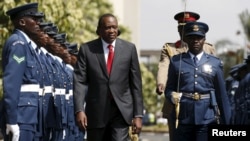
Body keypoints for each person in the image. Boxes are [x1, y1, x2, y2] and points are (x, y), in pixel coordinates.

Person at [73, 13, 143, 141]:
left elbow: (136, 85)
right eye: (108, 27)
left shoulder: (129, 49)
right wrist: (79, 110)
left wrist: (138, 115)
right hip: (96, 112)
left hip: (121, 111)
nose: (112, 31)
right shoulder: (87, 49)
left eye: (114, 27)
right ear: (99, 30)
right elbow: (80, 81)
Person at [164, 21, 231, 141]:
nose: (195, 41)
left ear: (204, 39)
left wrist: (227, 124)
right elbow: (169, 89)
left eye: (199, 37)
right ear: (186, 40)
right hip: (184, 118)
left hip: (207, 118)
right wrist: (171, 95)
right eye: (191, 37)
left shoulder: (214, 63)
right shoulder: (176, 61)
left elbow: (222, 96)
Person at [155, 11, 216, 141]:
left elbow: (215, 75)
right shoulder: (170, 49)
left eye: (186, 27)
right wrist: (161, 83)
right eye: (180, 28)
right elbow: (164, 66)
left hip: (204, 106)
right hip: (177, 105)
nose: (183, 31)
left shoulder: (207, 48)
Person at [0, 2, 44, 141]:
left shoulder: (25, 45)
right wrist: (12, 120)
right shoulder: (18, 44)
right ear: (22, 22)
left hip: (27, 115)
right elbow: (12, 84)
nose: (38, 22)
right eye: (34, 19)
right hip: (21, 116)